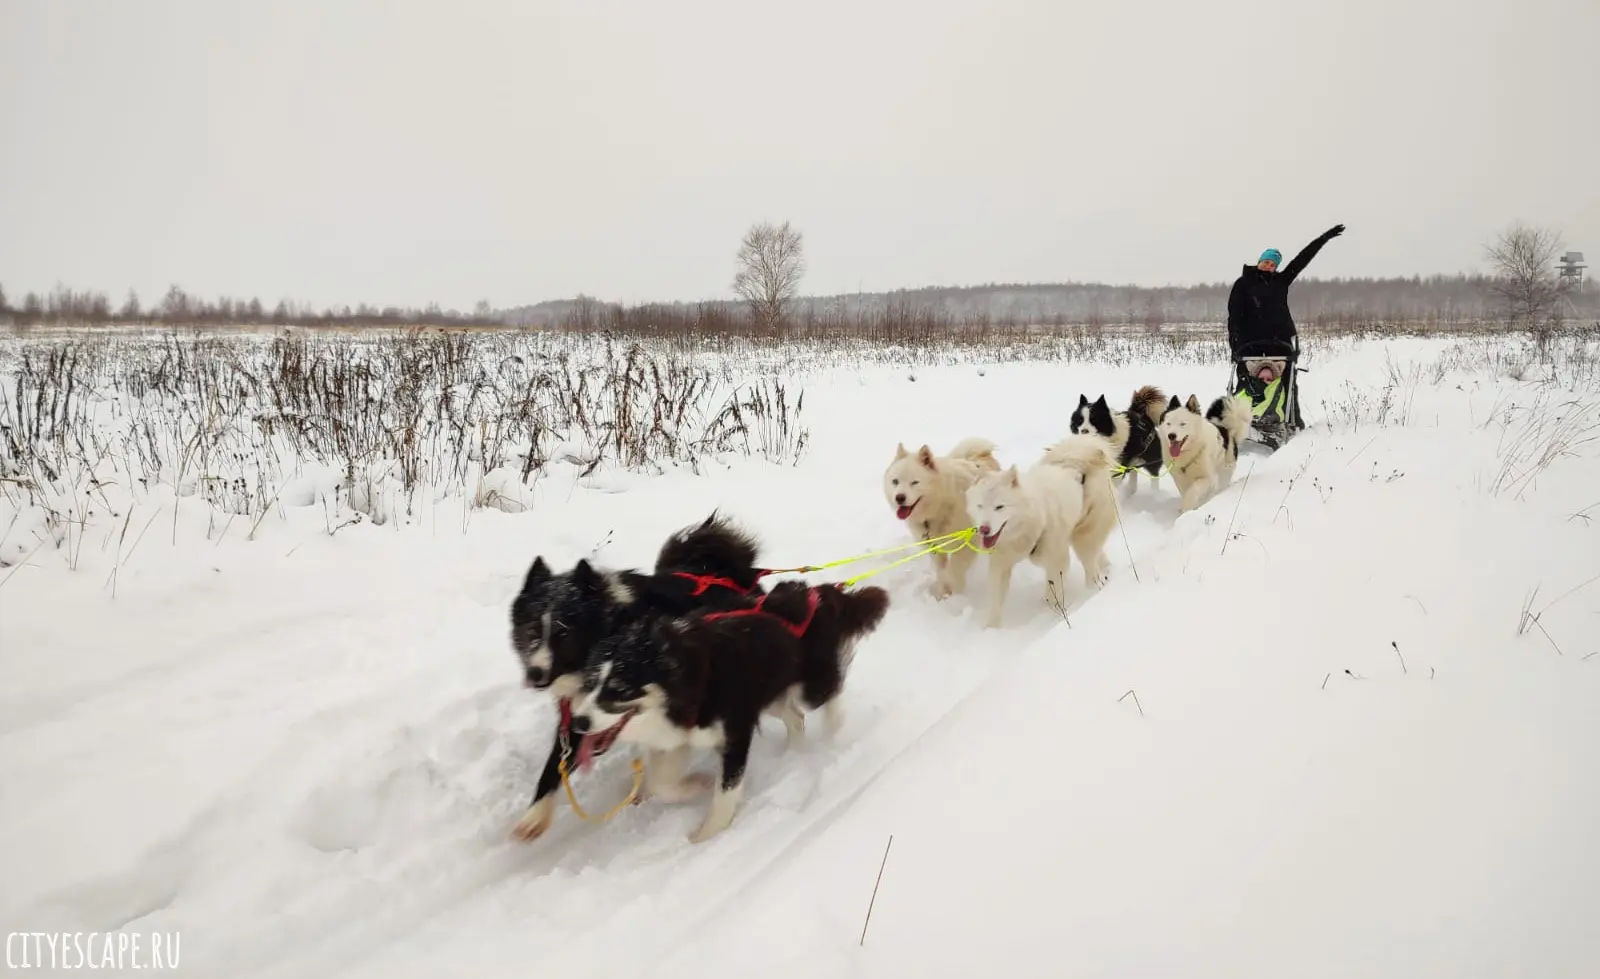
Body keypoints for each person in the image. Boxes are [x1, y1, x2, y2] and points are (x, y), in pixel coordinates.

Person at [1226, 223, 1345, 437]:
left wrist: (1323, 238)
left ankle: (1292, 422)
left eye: (1273, 264)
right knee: (1247, 383)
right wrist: (1234, 343)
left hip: (1280, 342)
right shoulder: (1243, 284)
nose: (1269, 265)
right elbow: (1234, 315)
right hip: (1249, 344)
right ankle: (1242, 421)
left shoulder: (1281, 281)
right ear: (1259, 262)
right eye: (1266, 261)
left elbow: (1301, 260)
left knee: (1288, 384)